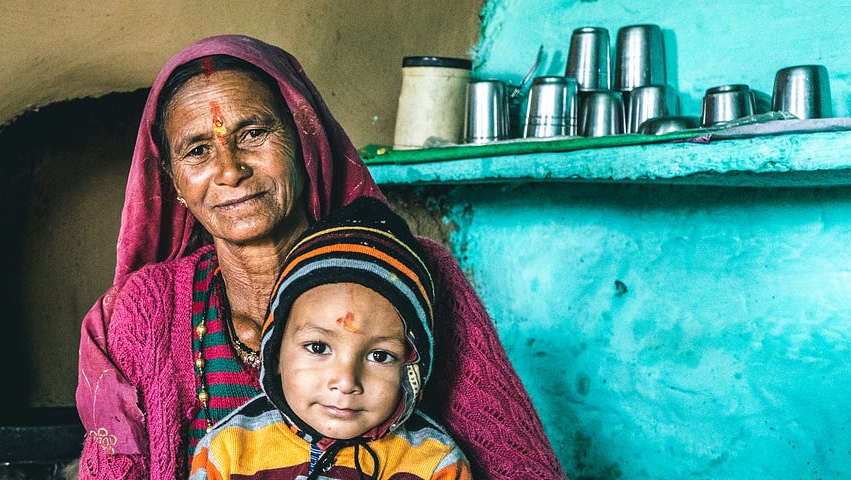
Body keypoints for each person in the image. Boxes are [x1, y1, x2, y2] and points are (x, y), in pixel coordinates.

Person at [75, 34, 565, 480]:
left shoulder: (417, 276)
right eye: (198, 151)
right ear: (173, 181)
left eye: (252, 134)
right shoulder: (147, 307)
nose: (230, 171)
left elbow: (523, 470)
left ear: (302, 140)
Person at [188, 198, 469, 480]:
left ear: (413, 371)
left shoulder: (435, 464)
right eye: (319, 347)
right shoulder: (227, 451)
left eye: (380, 356)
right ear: (274, 354)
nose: (346, 382)